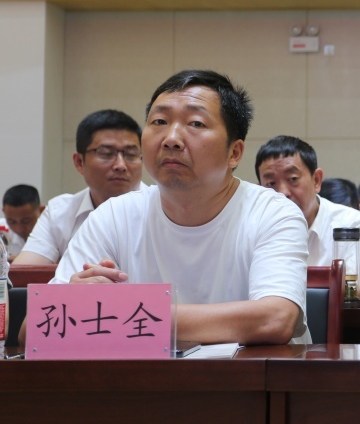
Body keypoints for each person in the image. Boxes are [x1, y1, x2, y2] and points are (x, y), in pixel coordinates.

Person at [31, 70, 309, 346]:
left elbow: (275, 319)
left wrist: (113, 312)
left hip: (247, 374)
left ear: (234, 153)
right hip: (142, 375)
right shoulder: (113, 216)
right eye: (159, 121)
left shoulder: (273, 213)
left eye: (196, 123)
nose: (171, 138)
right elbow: (33, 330)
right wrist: (74, 302)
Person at [256, 136, 360, 305]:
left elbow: (358, 289)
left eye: (293, 179)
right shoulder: (251, 229)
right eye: (271, 183)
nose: (283, 192)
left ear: (316, 180)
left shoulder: (353, 224)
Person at [14, 109, 145, 265]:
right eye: (106, 153)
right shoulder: (59, 213)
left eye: (131, 154)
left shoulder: (163, 207)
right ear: (79, 162)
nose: (121, 165)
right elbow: (25, 272)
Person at [1, 184, 44, 259]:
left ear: (41, 210)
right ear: (4, 211)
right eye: (12, 222)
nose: (19, 229)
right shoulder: (1, 228)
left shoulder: (56, 232)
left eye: (26, 221)